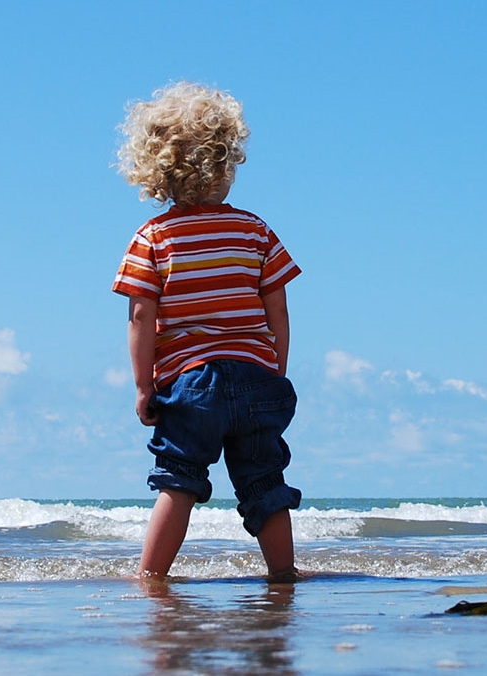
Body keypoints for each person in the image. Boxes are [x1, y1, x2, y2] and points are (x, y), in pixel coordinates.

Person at [112, 81, 303, 582]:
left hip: (191, 384)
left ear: (159, 171)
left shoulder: (153, 238)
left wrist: (143, 386)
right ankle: (283, 576)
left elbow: (140, 317)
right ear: (227, 163)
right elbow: (277, 309)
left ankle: (152, 578)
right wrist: (274, 368)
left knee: (179, 481)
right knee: (265, 481)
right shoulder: (255, 231)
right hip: (257, 378)